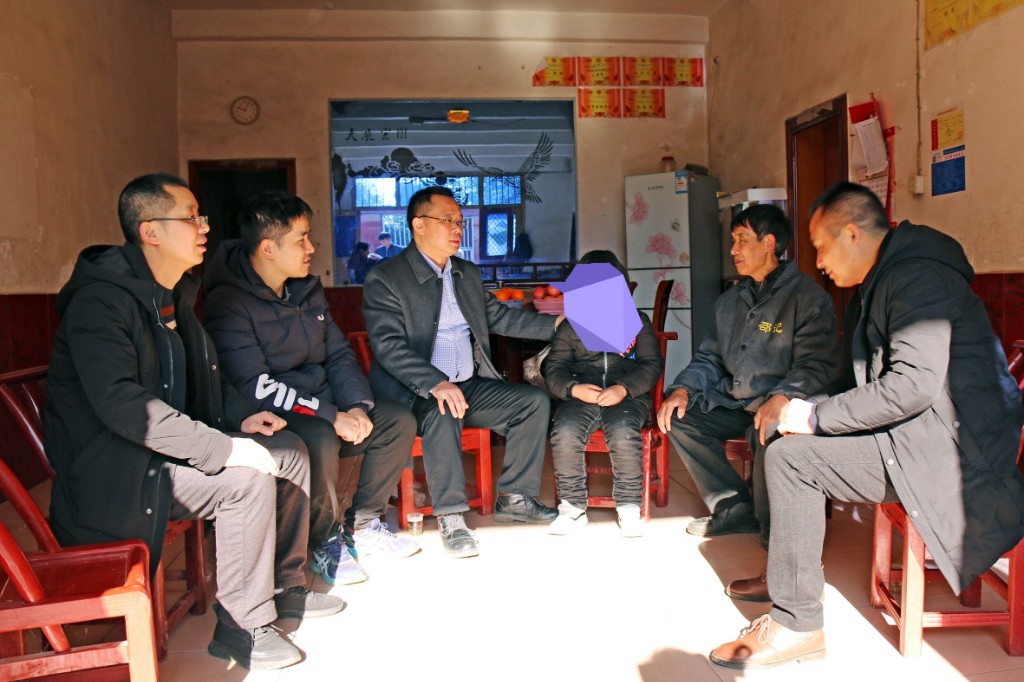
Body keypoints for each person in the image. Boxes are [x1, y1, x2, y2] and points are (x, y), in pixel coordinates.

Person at [710, 182, 1024, 669]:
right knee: (781, 434)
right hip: (919, 433)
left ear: (853, 234)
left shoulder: (917, 278)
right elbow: (855, 380)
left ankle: (797, 623)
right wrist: (798, 405)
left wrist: (816, 416)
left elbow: (913, 385)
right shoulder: (880, 283)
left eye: (821, 247)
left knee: (792, 461)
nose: (818, 263)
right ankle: (787, 574)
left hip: (953, 455)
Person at [43, 174, 344, 671]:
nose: (204, 227)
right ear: (150, 231)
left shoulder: (170, 295)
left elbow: (204, 378)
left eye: (201, 216)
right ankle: (241, 627)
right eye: (190, 217)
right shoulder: (100, 302)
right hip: (117, 468)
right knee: (244, 480)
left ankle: (284, 585)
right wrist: (223, 448)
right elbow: (124, 405)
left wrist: (243, 416)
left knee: (287, 450)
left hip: (159, 450)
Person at [203, 190, 419, 587]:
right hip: (272, 414)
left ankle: (364, 524)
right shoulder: (229, 302)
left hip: (324, 403)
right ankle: (325, 539)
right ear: (268, 248)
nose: (311, 248)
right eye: (301, 239)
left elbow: (338, 354)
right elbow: (255, 386)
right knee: (319, 436)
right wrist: (330, 416)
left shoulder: (304, 289)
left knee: (396, 419)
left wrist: (355, 406)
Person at [362, 186, 561, 558]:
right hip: (415, 392)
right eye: (447, 220)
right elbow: (388, 346)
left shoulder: (466, 273)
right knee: (444, 409)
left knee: (532, 401)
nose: (457, 228)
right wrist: (434, 383)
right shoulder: (387, 277)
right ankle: (452, 517)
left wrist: (557, 325)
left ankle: (515, 499)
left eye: (460, 222)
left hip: (467, 384)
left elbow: (499, 317)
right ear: (418, 225)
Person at [657, 204, 840, 550]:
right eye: (733, 240)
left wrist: (782, 397)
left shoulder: (807, 297)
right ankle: (734, 506)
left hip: (779, 404)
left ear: (768, 243)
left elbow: (816, 363)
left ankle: (776, 532)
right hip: (736, 402)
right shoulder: (730, 302)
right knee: (679, 416)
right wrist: (682, 388)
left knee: (770, 429)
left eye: (742, 239)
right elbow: (710, 358)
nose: (733, 249)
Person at [543, 250, 663, 537]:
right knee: (564, 432)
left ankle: (629, 506)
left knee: (623, 431)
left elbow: (651, 365)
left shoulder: (637, 321)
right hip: (581, 396)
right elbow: (554, 367)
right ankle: (572, 507)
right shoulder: (571, 326)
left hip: (627, 397)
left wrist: (624, 388)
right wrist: (574, 389)